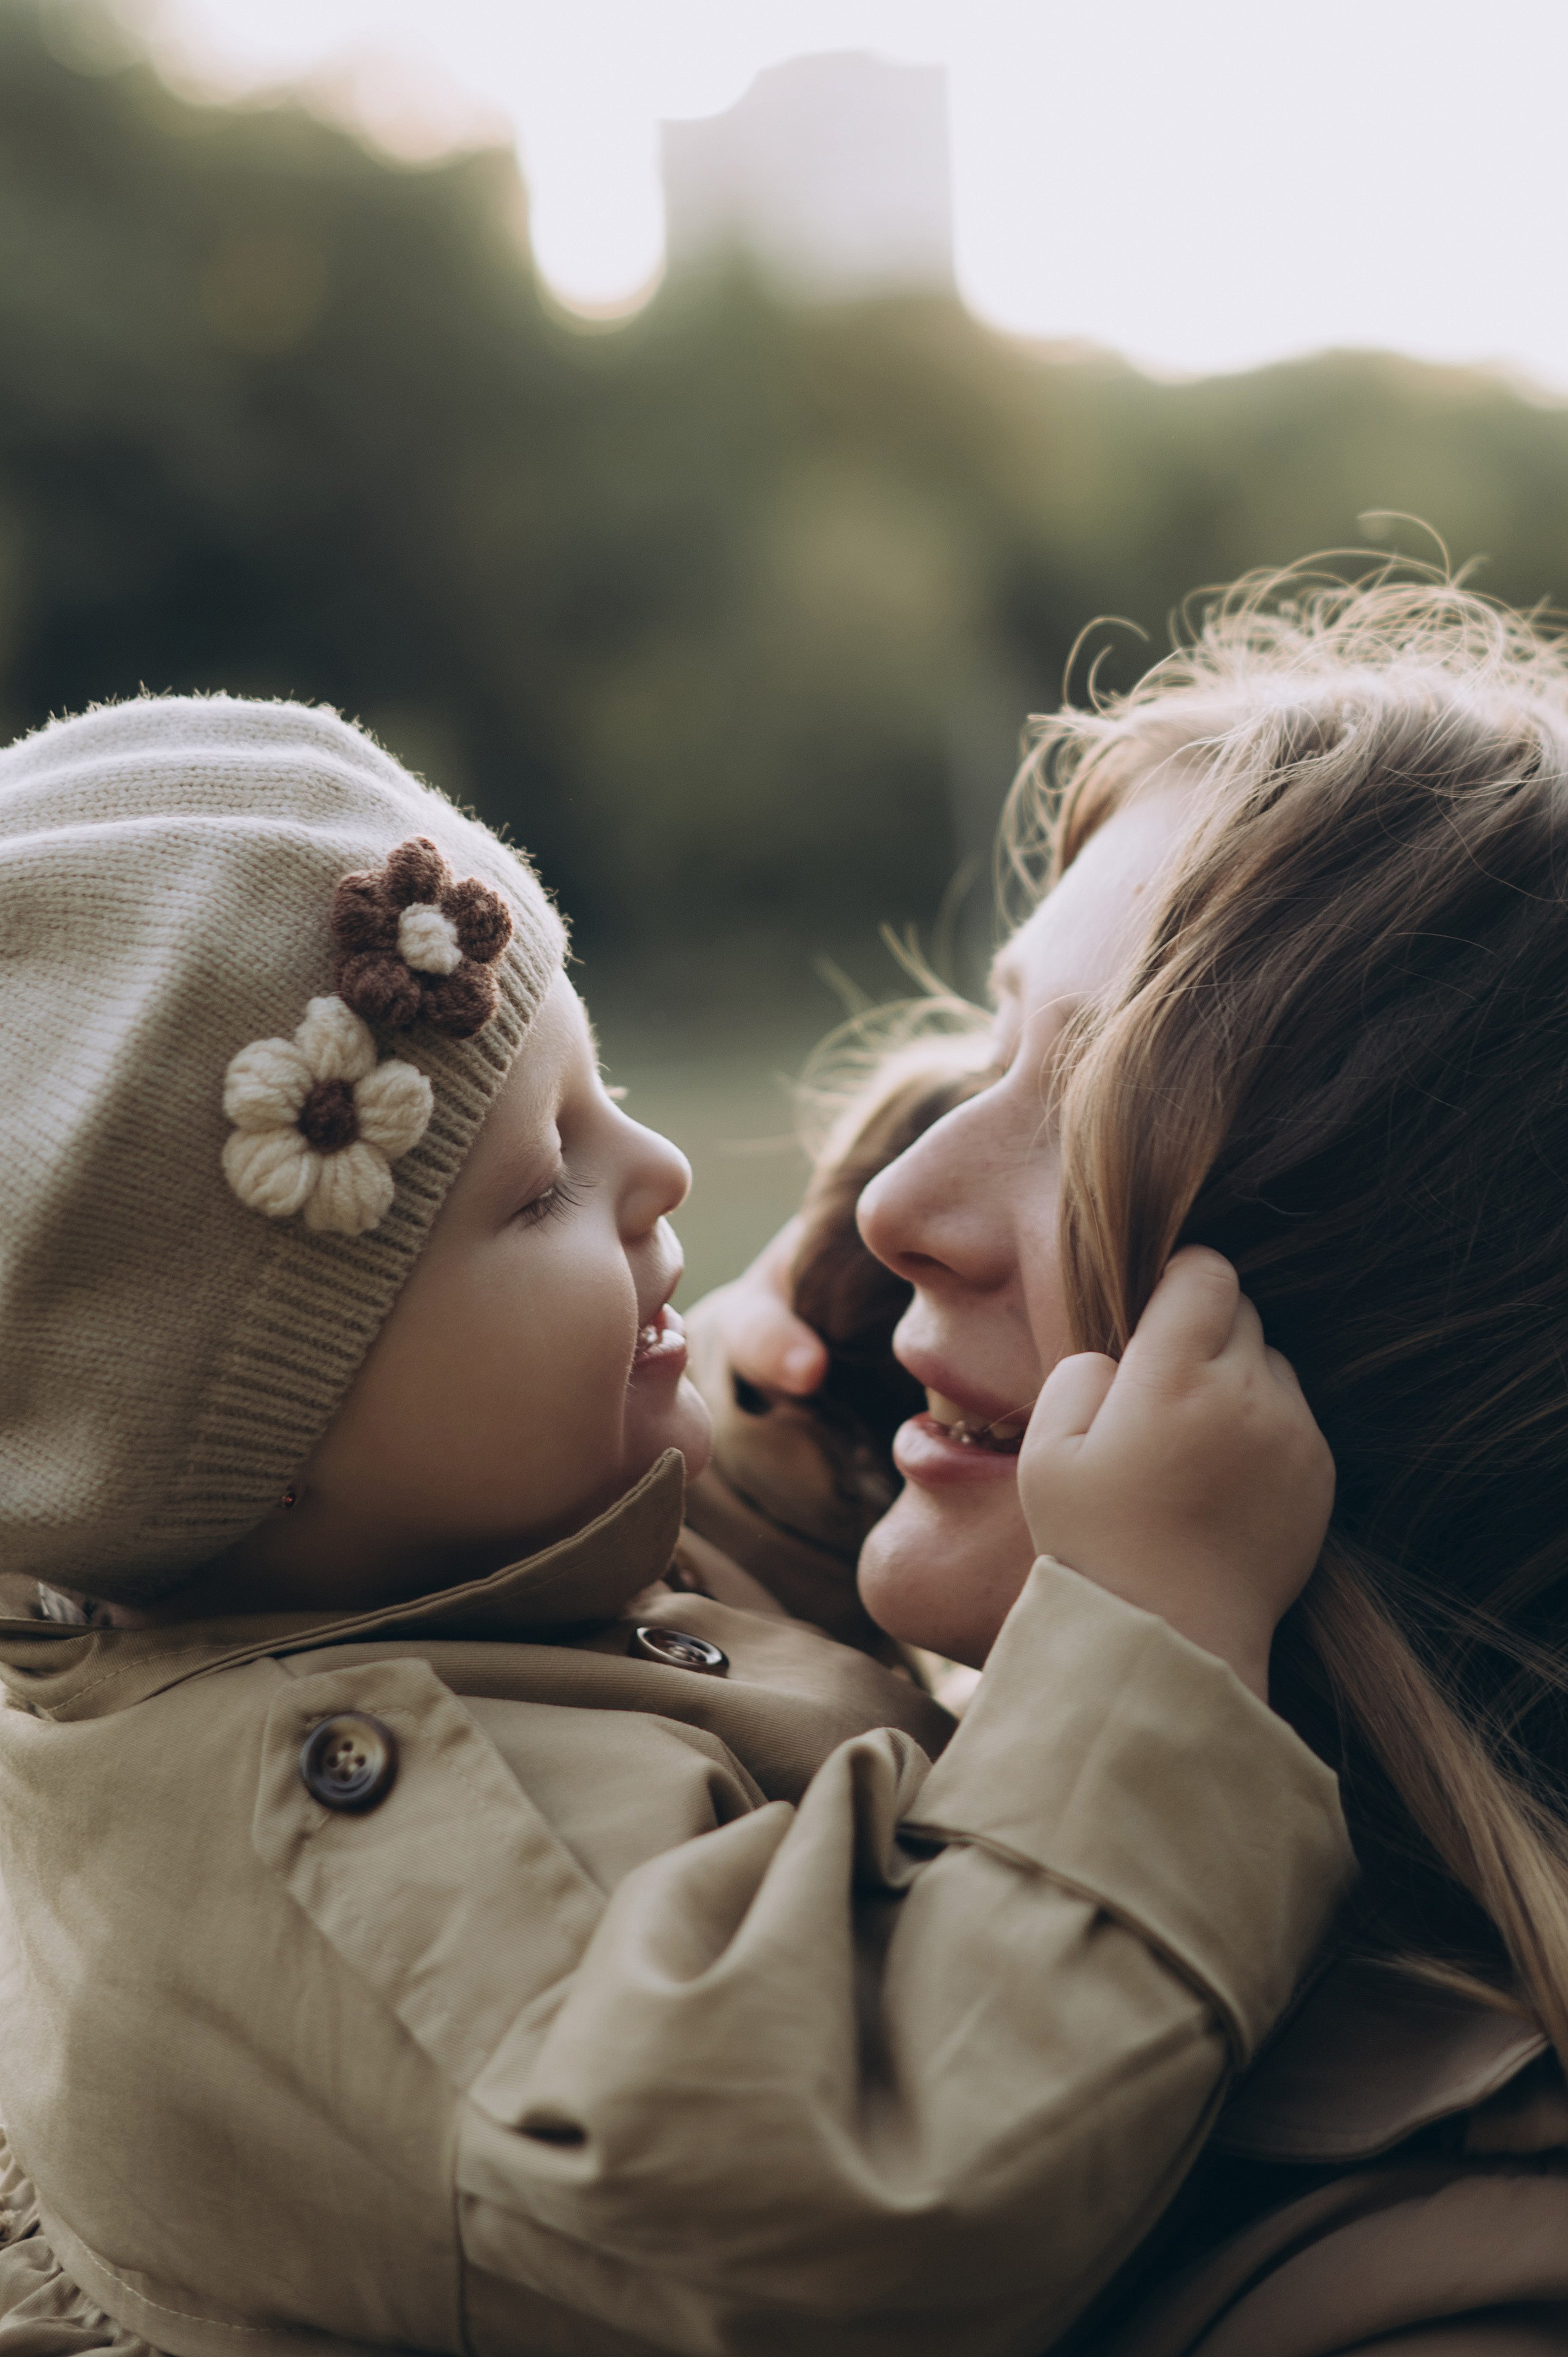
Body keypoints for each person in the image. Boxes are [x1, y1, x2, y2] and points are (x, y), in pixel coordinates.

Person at [0, 693, 1348, 2356]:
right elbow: (855, 2209)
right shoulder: (351, 1864)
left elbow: (672, 1661)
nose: (657, 1172)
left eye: (604, 1085)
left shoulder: (380, 1588)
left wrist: (784, 1444)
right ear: (261, 1435)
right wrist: (1159, 1641)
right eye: (541, 1186)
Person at [695, 569, 1568, 2355]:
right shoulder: (857, 1810)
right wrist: (709, 1467)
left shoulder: (1450, 2301)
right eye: (989, 1049)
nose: (895, 1208)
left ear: (1405, 1317)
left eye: (1097, 1114)